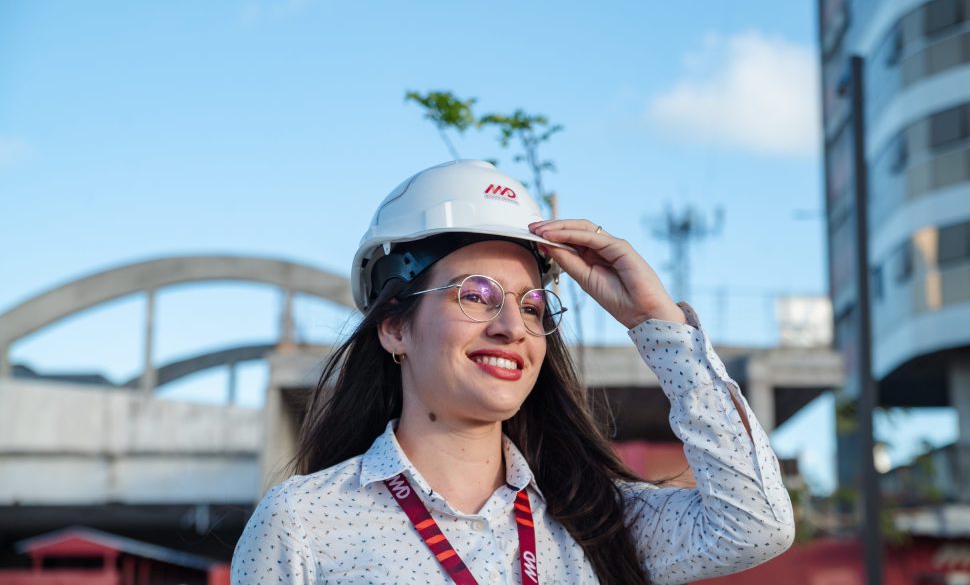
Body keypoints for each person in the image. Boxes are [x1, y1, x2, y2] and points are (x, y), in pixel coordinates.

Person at [231, 159, 794, 584]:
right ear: (394, 327)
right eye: (475, 295)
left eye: (532, 307)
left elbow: (755, 525)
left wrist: (656, 323)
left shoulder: (594, 520)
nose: (512, 326)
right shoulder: (303, 522)